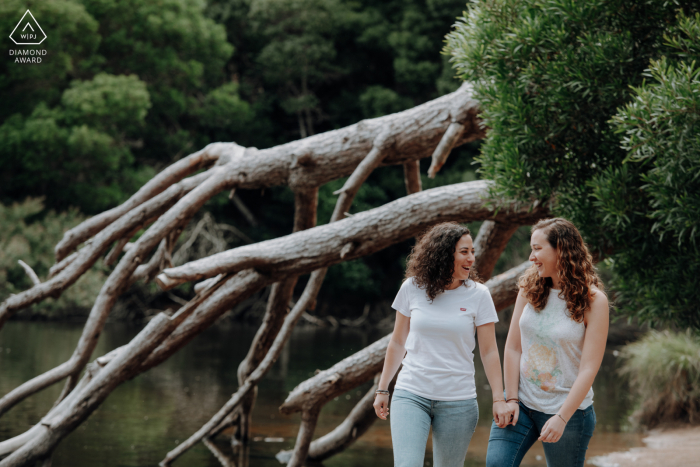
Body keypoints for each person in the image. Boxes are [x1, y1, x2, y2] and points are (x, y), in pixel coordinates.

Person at [373, 222, 511, 467]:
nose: (471, 258)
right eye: (464, 252)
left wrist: (499, 399)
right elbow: (397, 342)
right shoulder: (412, 288)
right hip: (411, 393)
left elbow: (489, 352)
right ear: (444, 254)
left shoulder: (479, 294)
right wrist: (383, 389)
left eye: (473, 252)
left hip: (459, 400)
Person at [486, 218, 609, 467]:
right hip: (521, 403)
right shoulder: (528, 288)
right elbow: (513, 348)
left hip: (569, 413)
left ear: (561, 250)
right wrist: (511, 399)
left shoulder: (594, 301)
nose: (531, 257)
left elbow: (589, 368)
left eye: (537, 248)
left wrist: (562, 418)